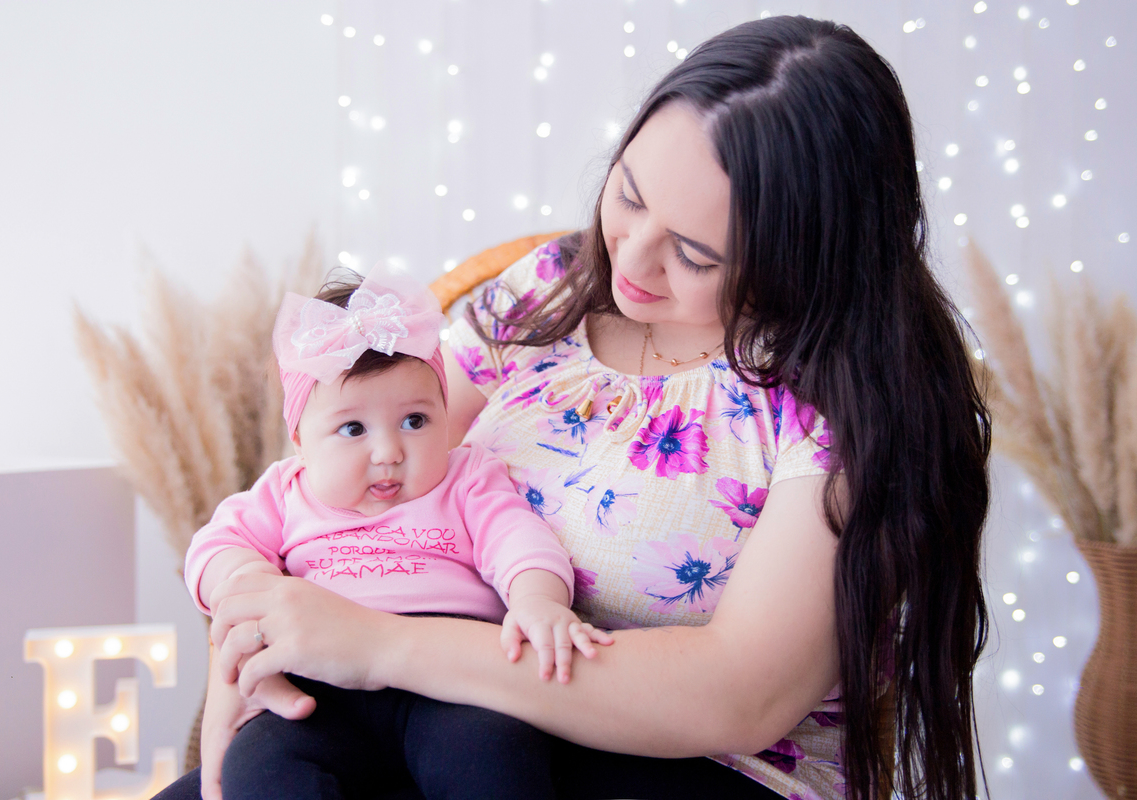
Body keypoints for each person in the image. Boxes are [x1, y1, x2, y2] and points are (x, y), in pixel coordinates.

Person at [158, 14, 991, 800]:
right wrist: (256, 622)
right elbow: (355, 456)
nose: (630, 257)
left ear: (803, 256)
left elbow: (741, 695)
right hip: (455, 718)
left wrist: (379, 646)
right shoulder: (552, 287)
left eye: (694, 253)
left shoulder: (836, 402)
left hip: (696, 766)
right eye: (628, 196)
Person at [186, 263, 612, 800]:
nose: (388, 453)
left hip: (450, 678)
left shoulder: (465, 476)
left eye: (415, 420)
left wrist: (537, 599)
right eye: (352, 429)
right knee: (262, 765)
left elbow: (516, 537)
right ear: (300, 438)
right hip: (317, 688)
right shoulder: (284, 490)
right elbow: (215, 546)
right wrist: (250, 581)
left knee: (493, 756)